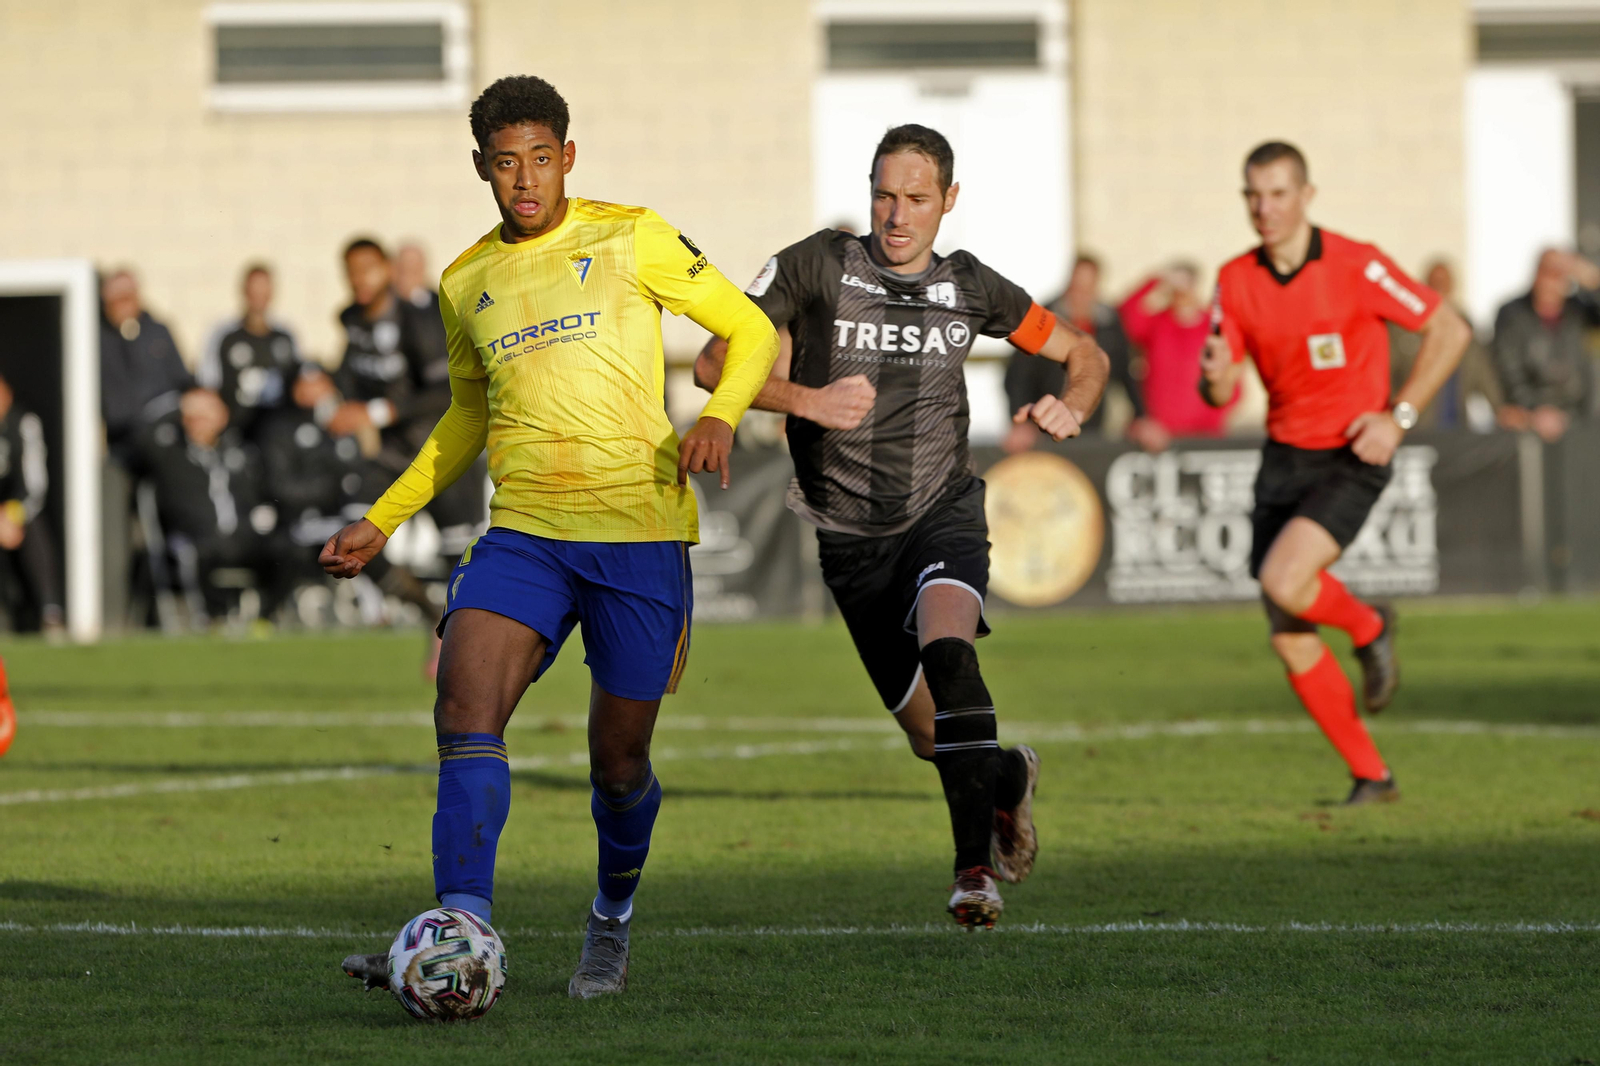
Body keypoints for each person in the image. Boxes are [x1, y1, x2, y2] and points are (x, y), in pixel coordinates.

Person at [323, 75, 778, 998]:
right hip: (524, 530)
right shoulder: (464, 282)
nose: (524, 180)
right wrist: (384, 518)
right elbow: (464, 417)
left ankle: (610, 919)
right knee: (463, 706)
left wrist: (723, 414)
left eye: (540, 159)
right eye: (504, 164)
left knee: (618, 763)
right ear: (481, 170)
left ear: (568, 157)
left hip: (638, 533)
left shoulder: (631, 234)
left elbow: (749, 326)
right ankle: (462, 927)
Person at [695, 124, 1109, 928]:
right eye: (885, 194)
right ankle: (1008, 780)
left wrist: (1076, 402)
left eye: (917, 199)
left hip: (941, 511)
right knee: (932, 739)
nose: (897, 215)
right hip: (849, 539)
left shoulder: (974, 287)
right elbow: (717, 364)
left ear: (948, 202)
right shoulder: (818, 264)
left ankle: (970, 874)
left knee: (950, 651)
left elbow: (1082, 352)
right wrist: (810, 402)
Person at [1199, 142, 1471, 805]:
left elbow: (1450, 331)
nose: (1264, 208)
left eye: (1278, 193)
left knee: (1285, 579)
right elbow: (1221, 387)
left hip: (1353, 451)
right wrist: (1212, 379)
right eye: (1253, 195)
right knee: (1290, 636)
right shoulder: (1234, 279)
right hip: (1281, 458)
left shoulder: (1358, 263)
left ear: (1307, 196)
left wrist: (1398, 417)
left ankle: (1370, 625)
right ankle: (1372, 777)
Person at [141, 390, 296, 623]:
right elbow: (142, 433)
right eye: (194, 417)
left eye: (207, 416)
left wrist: (262, 514)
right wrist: (179, 403)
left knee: (287, 548)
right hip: (198, 537)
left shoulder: (238, 453)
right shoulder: (170, 455)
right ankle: (214, 619)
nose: (201, 423)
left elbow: (259, 494)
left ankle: (265, 617)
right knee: (196, 554)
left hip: (242, 536)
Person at [1003, 253, 1151, 452]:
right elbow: (1018, 376)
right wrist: (1020, 423)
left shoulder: (1109, 323)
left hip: (1093, 427)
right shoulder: (1043, 318)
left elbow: (1126, 373)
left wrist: (1141, 418)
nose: (1081, 296)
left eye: (1088, 290)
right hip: (1043, 427)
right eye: (1077, 288)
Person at [1491, 249, 1599, 443]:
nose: (1551, 282)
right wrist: (1534, 410)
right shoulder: (1512, 314)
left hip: (1580, 419)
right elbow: (1508, 370)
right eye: (1547, 272)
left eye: (1559, 274)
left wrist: (1594, 281)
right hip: (1529, 420)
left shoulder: (1580, 312)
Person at [99, 269, 204, 469]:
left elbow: (181, 379)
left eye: (129, 298)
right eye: (118, 300)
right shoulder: (98, 339)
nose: (125, 306)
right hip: (125, 436)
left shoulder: (157, 331)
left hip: (166, 425)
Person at [1118, 263, 1230, 444]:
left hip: (1204, 435)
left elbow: (1232, 380)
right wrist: (1156, 280)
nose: (1181, 292)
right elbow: (1124, 316)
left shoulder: (1214, 327)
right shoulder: (1157, 324)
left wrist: (1214, 421)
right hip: (1159, 436)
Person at [1386, 259, 1501, 432]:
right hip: (1415, 426)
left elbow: (1482, 374)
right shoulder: (1404, 328)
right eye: (1434, 283)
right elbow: (1387, 375)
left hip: (1456, 425)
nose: (1439, 289)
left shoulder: (1465, 325)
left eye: (1444, 284)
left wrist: (1499, 408)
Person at [197, 264, 302, 443]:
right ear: (244, 291)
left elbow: (300, 382)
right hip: (235, 429)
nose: (259, 295)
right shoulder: (223, 335)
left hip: (278, 431)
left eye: (264, 288)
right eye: (254, 288)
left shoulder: (286, 336)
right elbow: (208, 385)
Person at [0, 373, 63, 633]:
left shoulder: (24, 423)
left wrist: (10, 516)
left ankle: (50, 612)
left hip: (14, 510)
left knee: (35, 530)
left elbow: (34, 486)